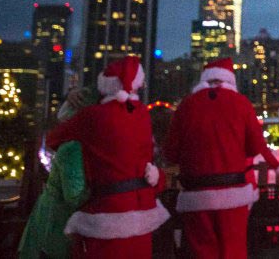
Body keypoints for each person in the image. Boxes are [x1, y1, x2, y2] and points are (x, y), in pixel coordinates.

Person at [163, 58, 279, 259]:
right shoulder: (241, 103)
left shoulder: (186, 105)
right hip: (233, 195)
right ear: (230, 80)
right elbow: (256, 148)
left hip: (195, 195)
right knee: (233, 251)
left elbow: (170, 154)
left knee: (201, 252)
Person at [46, 56, 169, 258]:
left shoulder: (92, 116)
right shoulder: (142, 114)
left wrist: (71, 103)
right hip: (142, 210)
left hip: (107, 213)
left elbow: (53, 139)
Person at [17, 87, 97, 259]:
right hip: (54, 232)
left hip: (54, 227)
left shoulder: (75, 143)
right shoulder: (74, 147)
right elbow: (74, 196)